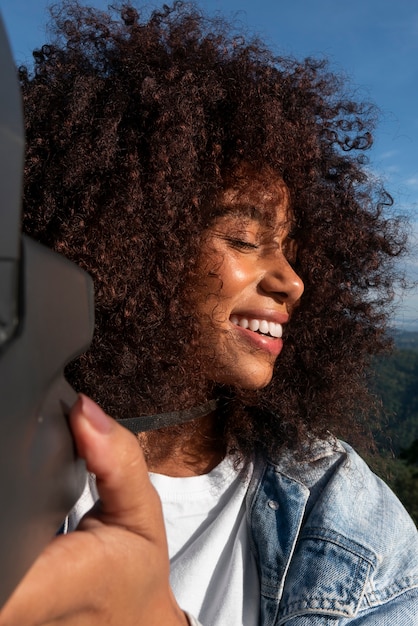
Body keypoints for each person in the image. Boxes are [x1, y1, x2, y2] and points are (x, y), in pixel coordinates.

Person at [1, 1, 417, 624]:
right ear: (133, 241)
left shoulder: (343, 518)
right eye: (246, 240)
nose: (293, 282)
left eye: (292, 250)